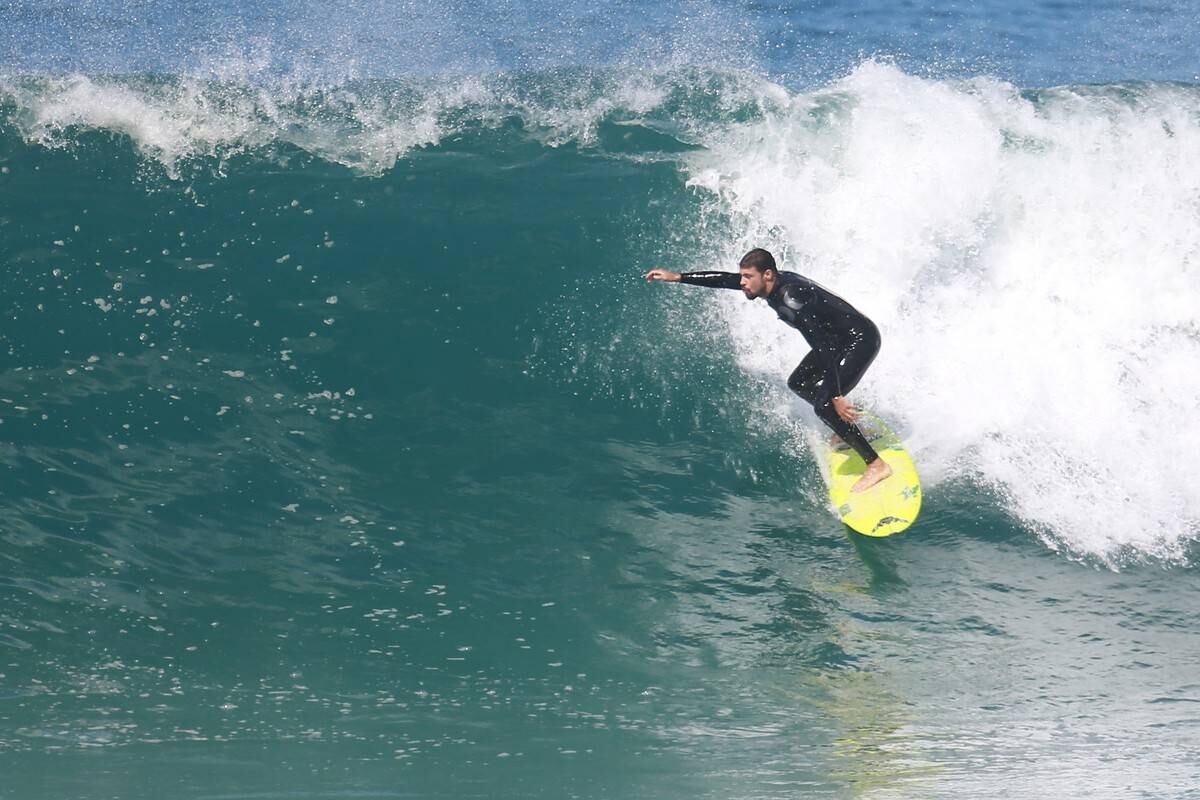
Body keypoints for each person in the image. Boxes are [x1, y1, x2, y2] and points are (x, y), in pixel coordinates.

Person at [645, 248, 893, 493]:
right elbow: (726, 279)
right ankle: (846, 427)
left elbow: (823, 348)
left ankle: (876, 465)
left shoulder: (793, 302)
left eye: (747, 277)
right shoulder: (771, 283)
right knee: (799, 382)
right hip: (838, 340)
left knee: (825, 405)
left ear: (767, 275)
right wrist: (678, 277)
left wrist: (836, 396)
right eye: (742, 276)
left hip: (858, 341)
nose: (741, 283)